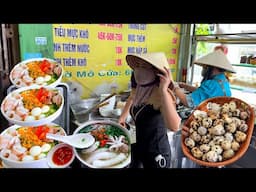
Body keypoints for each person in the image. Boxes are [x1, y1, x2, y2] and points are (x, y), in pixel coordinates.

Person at [119, 52, 181, 168]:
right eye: (138, 65)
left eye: (144, 66)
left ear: (156, 72)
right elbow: (132, 97)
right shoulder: (141, 89)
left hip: (157, 154)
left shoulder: (163, 95)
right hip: (141, 146)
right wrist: (122, 117)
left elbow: (175, 126)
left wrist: (163, 90)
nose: (138, 70)